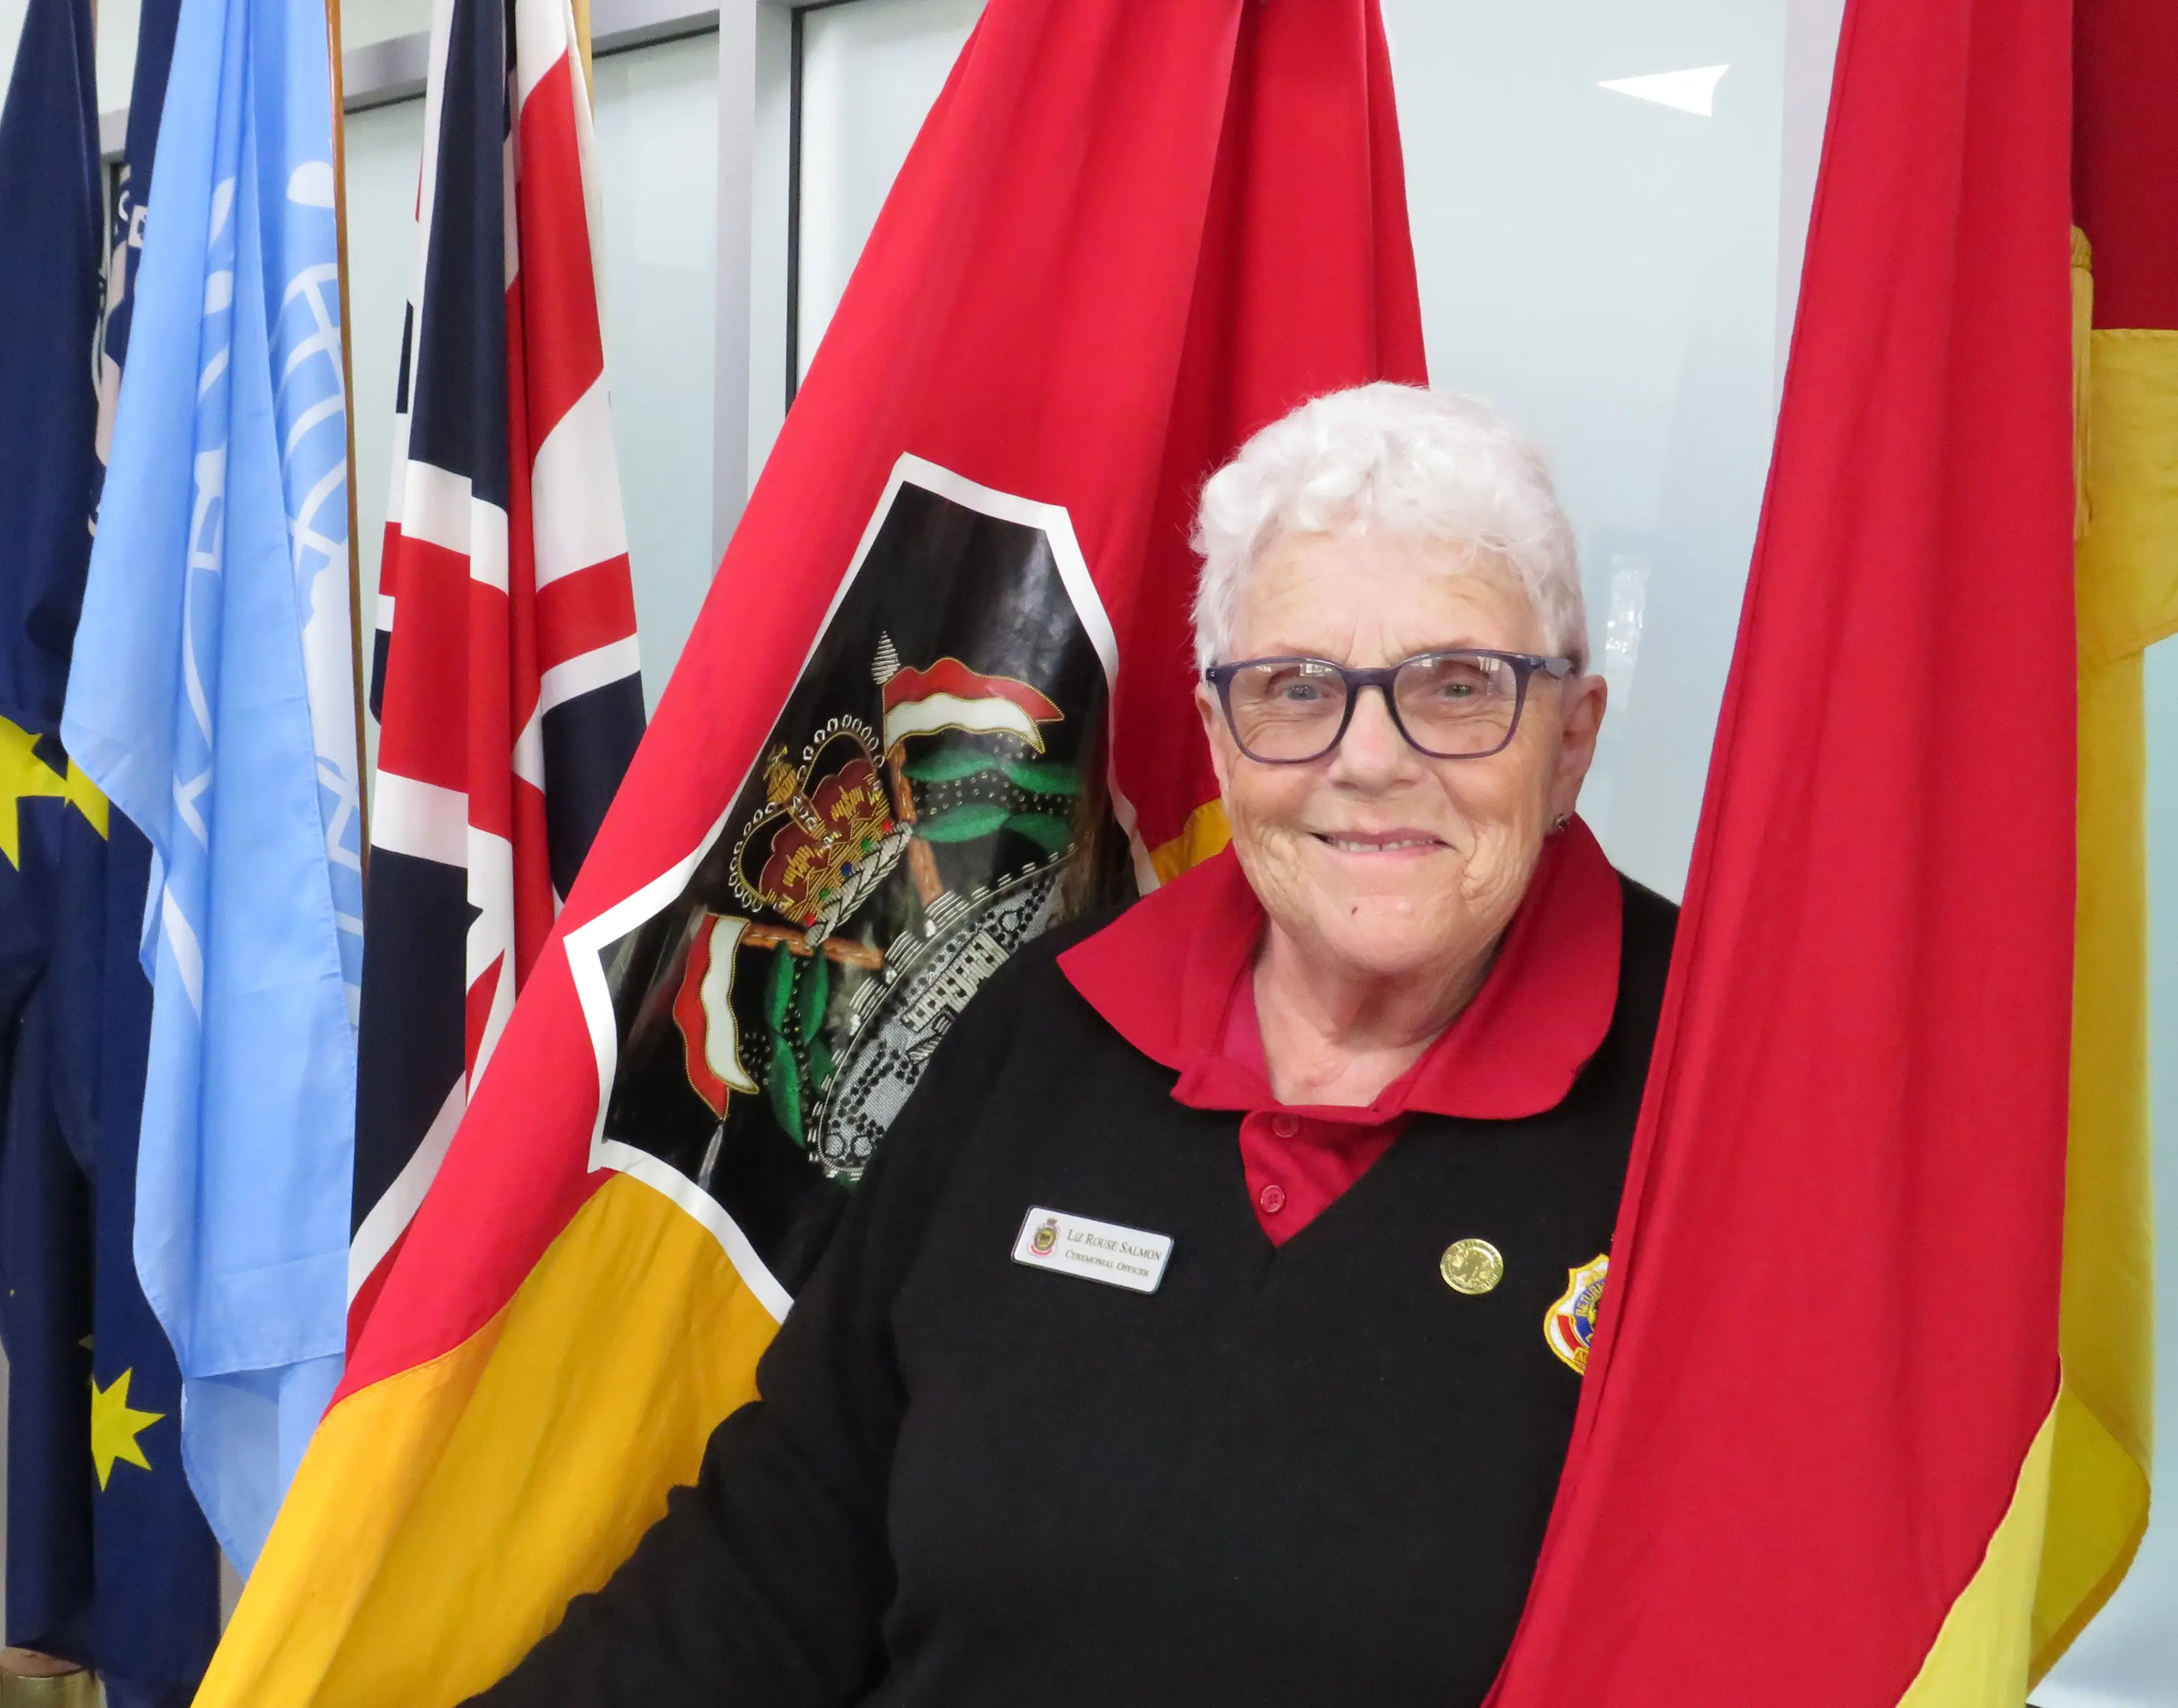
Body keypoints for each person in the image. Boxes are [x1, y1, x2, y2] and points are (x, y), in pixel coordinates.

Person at [472, 383, 1667, 1707]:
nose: (1368, 759)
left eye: (1457, 688)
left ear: (1571, 743)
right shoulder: (1048, 1027)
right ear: (1220, 739)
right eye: (1292, 690)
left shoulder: (1716, 1088)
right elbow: (779, 1563)